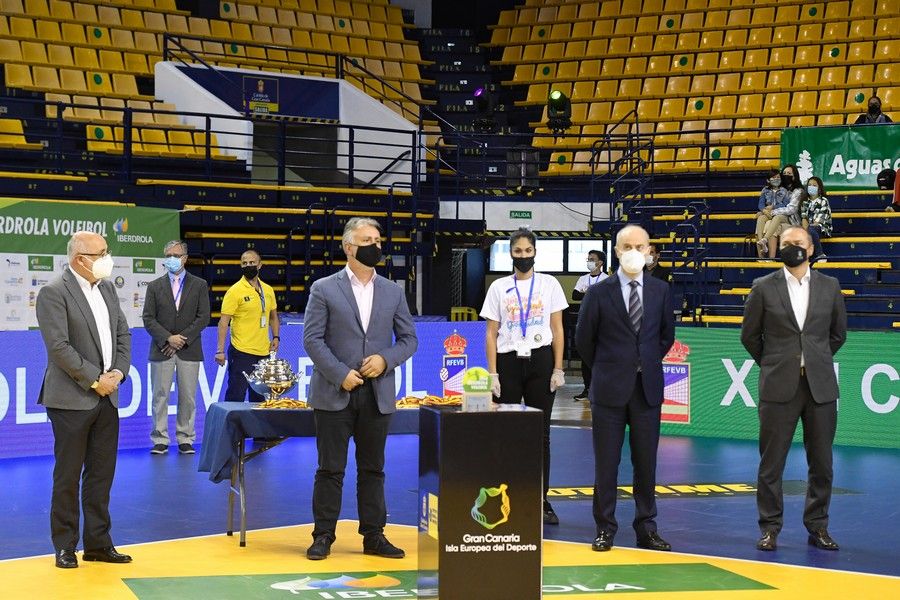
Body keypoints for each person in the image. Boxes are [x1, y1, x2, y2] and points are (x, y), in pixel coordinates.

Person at [303, 218, 417, 561]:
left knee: (373, 469)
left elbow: (409, 340)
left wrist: (385, 359)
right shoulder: (323, 288)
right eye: (368, 240)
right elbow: (312, 339)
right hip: (334, 392)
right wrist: (340, 373)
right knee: (330, 469)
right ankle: (323, 535)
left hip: (377, 393)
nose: (377, 246)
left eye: (379, 240)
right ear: (349, 247)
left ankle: (374, 536)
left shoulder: (394, 291)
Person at [740, 226, 847, 552]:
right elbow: (750, 336)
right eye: (785, 244)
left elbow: (838, 334)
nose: (791, 248)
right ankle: (770, 528)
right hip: (778, 386)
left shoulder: (830, 286)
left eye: (797, 243)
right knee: (771, 464)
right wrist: (774, 363)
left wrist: (812, 361)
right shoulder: (762, 287)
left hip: (820, 388)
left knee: (823, 464)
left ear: (811, 248)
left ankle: (818, 527)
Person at [575, 224, 675, 553]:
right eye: (627, 246)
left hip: (647, 389)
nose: (634, 251)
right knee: (607, 463)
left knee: (646, 464)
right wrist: (611, 366)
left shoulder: (661, 290)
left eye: (640, 246)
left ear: (649, 251)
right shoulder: (598, 293)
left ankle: (646, 527)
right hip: (608, 391)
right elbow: (583, 342)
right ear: (617, 251)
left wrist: (641, 361)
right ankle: (605, 528)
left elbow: (665, 336)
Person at [35, 231, 132, 569]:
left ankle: (98, 544)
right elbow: (59, 347)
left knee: (101, 475)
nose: (107, 257)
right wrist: (94, 380)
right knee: (67, 475)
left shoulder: (108, 288)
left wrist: (118, 373)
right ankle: (64, 545)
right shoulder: (53, 292)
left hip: (109, 396)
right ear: (80, 259)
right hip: (71, 400)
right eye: (101, 253)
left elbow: (123, 333)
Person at [481, 228, 568, 524]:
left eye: (527, 251)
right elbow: (491, 333)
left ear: (534, 252)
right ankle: (505, 495)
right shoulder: (498, 288)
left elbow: (558, 329)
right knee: (506, 432)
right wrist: (492, 372)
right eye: (517, 252)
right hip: (507, 362)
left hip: (540, 360)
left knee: (540, 434)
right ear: (510, 254)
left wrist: (558, 368)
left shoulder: (550, 284)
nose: (523, 256)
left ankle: (541, 498)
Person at [142, 240, 211, 455]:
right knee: (159, 395)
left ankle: (185, 437)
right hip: (162, 349)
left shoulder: (199, 285)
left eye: (176, 254)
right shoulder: (154, 286)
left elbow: (203, 317)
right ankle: (160, 438)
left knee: (188, 396)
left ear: (185, 258)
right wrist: (167, 339)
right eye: (168, 254)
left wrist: (181, 339)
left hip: (189, 349)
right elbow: (148, 318)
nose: (171, 258)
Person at [215, 249, 279, 402]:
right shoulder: (234, 291)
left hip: (263, 352)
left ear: (260, 265)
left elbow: (273, 317)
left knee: (260, 399)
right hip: (241, 352)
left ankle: (256, 427)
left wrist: (276, 336)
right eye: (244, 263)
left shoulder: (268, 290)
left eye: (252, 263)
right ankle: (231, 426)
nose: (248, 265)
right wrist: (220, 351)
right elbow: (223, 322)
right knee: (236, 396)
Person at [572, 250, 608, 402]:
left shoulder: (606, 279)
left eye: (592, 259)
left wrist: (587, 293)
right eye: (588, 259)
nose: (589, 262)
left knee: (601, 356)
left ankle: (600, 388)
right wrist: (593, 293)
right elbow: (574, 295)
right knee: (585, 356)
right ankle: (586, 388)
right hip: (585, 321)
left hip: (602, 322)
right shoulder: (583, 278)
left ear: (600, 263)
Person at [758, 164, 805, 259]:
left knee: (776, 218)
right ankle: (762, 254)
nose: (786, 175)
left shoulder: (798, 191)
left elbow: (791, 209)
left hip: (792, 221)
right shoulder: (778, 188)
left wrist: (772, 211)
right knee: (765, 222)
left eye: (789, 173)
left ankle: (771, 257)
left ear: (794, 176)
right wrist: (763, 211)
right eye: (784, 173)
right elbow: (763, 204)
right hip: (777, 219)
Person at [754, 169, 789, 258]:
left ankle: (763, 241)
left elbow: (786, 204)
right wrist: (764, 211)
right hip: (767, 213)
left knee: (771, 218)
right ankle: (762, 243)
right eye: (773, 177)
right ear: (768, 180)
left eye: (778, 177)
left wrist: (773, 207)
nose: (776, 179)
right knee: (761, 218)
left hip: (778, 214)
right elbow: (761, 204)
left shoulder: (784, 190)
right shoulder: (765, 190)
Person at [801, 177, 832, 262]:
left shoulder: (824, 201)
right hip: (809, 229)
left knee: (811, 230)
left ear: (819, 188)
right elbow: (804, 218)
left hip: (822, 228)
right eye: (809, 185)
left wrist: (807, 229)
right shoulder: (805, 202)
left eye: (814, 185)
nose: (811, 187)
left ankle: (820, 254)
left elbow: (819, 222)